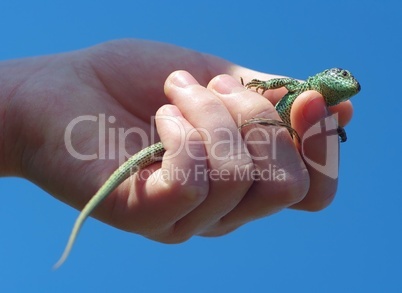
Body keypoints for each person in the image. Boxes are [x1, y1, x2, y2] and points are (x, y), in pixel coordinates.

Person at [0, 39, 353, 243]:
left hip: (241, 140)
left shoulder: (319, 112)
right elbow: (276, 89)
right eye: (342, 74)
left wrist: (20, 120)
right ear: (323, 76)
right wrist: (21, 102)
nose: (348, 83)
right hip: (219, 129)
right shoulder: (300, 87)